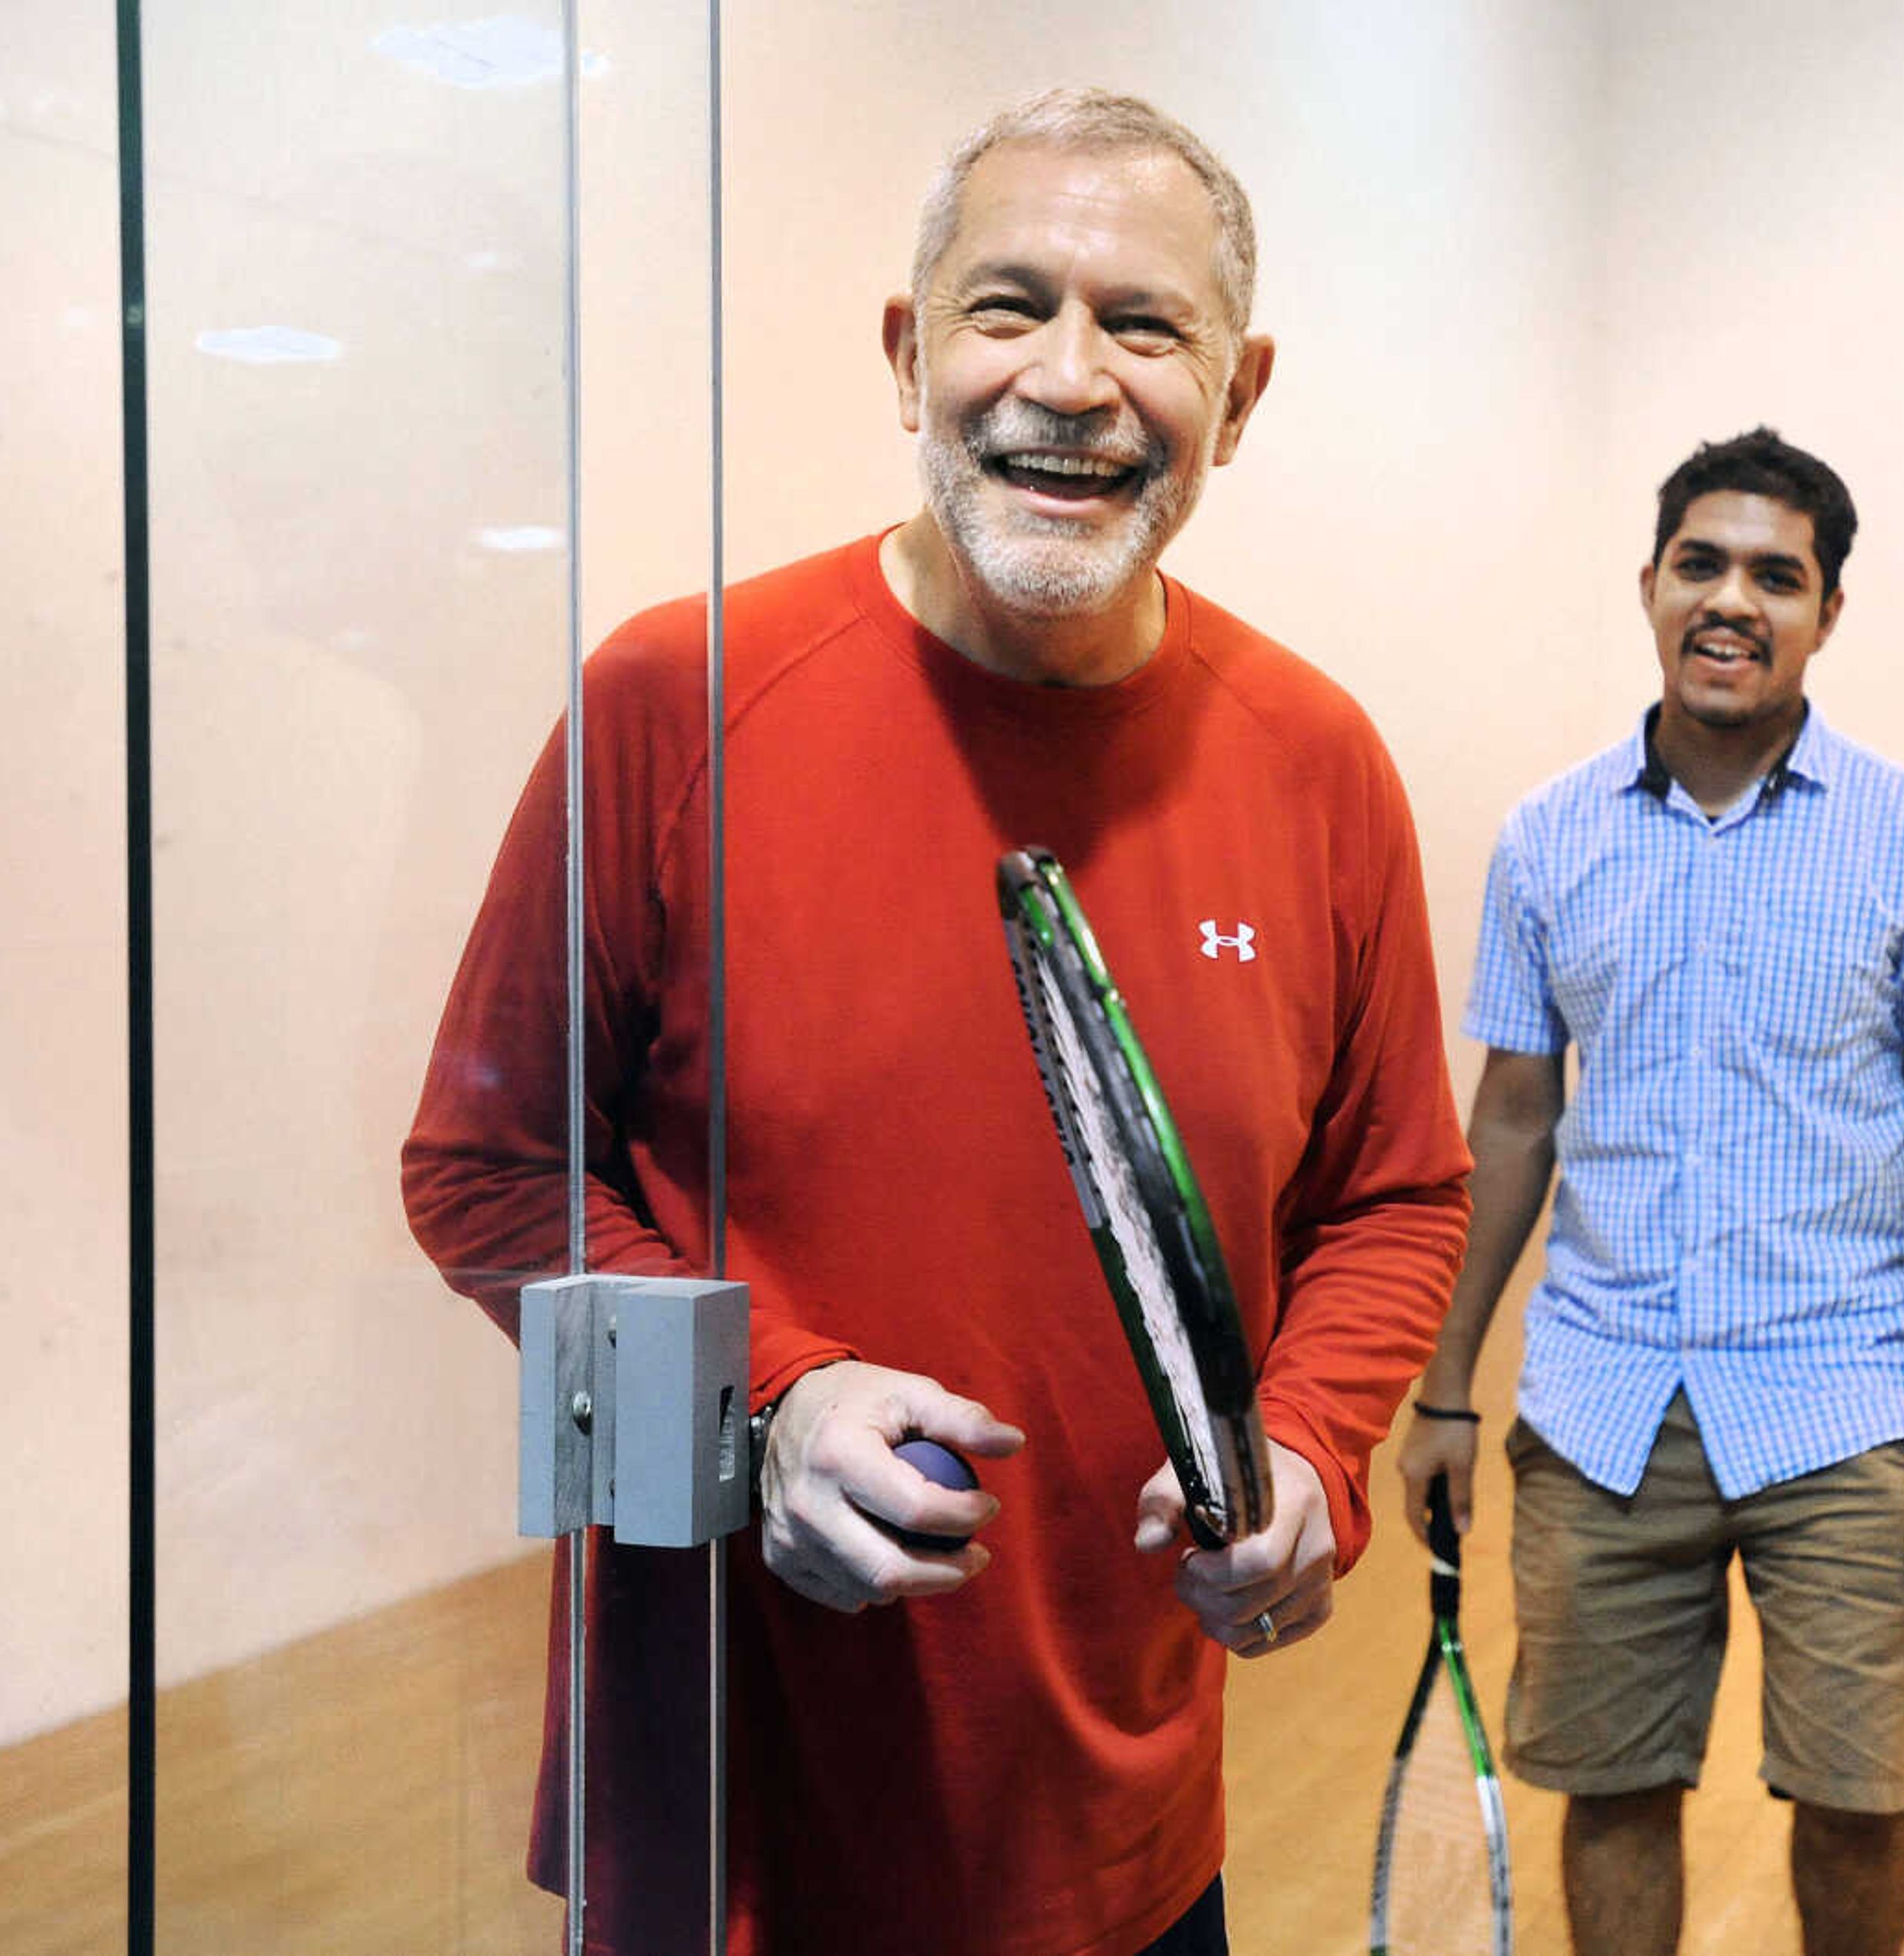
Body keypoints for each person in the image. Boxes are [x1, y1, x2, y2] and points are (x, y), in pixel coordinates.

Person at [402, 89, 1472, 1956]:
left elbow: (1395, 1195)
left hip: (1131, 1835)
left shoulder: (1318, 761)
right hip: (728, 1827)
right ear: (909, 355)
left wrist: (1305, 1443)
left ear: (1242, 391)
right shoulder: (675, 699)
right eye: (1006, 308)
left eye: (1147, 328)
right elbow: (488, 1170)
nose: (1071, 380)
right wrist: (774, 1399)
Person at [1396, 427, 1904, 1956]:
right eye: (1704, 563)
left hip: (1850, 1407)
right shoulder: (1548, 838)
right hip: (1603, 1403)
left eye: (1776, 575)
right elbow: (1517, 1122)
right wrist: (1446, 1384)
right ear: (1651, 584)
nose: (1733, 600)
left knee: (1864, 1796)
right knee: (1611, 1789)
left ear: (1827, 613)